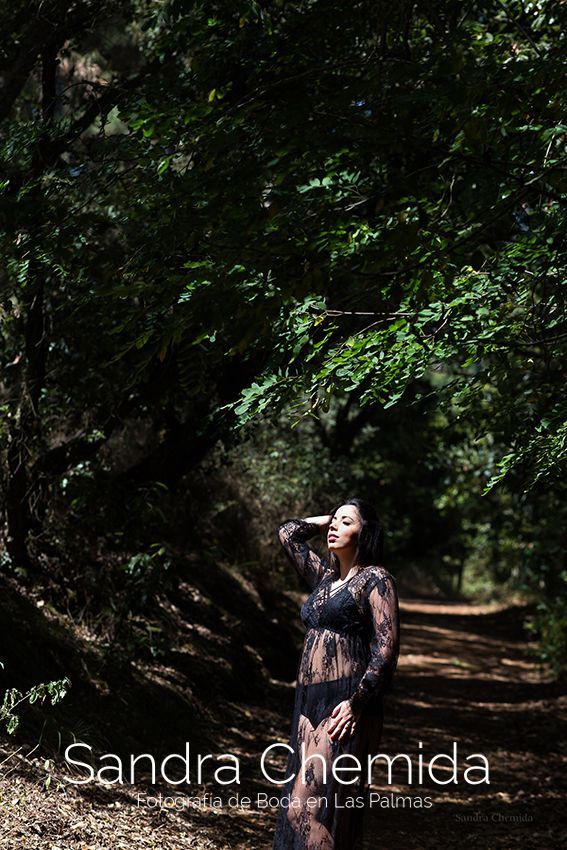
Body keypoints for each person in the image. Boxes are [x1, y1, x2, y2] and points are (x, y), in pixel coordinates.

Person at [271, 498, 400, 850]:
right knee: (310, 808)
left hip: (344, 704)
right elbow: (288, 533)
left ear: (365, 533)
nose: (333, 527)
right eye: (334, 521)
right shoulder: (325, 579)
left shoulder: (376, 579)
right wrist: (331, 517)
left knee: (304, 810)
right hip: (308, 701)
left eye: (346, 522)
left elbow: (386, 650)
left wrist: (356, 704)